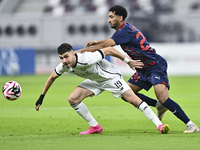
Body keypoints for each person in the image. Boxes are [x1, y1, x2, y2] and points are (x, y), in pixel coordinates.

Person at [76, 5, 199, 133]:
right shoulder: (124, 30)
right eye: (108, 17)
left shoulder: (123, 32)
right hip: (142, 69)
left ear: (120, 18)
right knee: (127, 93)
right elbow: (111, 41)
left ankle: (191, 125)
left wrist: (80, 52)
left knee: (163, 97)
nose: (109, 20)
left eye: (111, 17)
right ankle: (159, 106)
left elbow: (106, 46)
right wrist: (97, 41)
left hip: (154, 65)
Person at [35, 43, 170, 135]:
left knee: (132, 100)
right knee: (73, 99)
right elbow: (52, 77)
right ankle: (95, 127)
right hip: (96, 81)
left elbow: (109, 49)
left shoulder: (87, 58)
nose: (64, 60)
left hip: (110, 77)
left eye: (66, 56)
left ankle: (159, 125)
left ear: (73, 54)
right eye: (61, 58)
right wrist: (42, 96)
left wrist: (128, 62)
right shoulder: (64, 66)